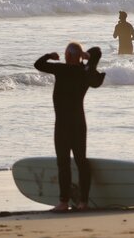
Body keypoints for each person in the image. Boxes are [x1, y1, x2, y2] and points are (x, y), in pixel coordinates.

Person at [34, 42, 105, 212]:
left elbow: (38, 64)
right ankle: (82, 203)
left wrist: (49, 56)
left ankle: (65, 202)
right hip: (78, 123)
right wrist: (88, 56)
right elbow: (97, 52)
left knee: (65, 163)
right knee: (80, 162)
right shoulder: (86, 72)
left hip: (63, 125)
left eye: (69, 54)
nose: (68, 56)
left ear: (67, 56)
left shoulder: (62, 69)